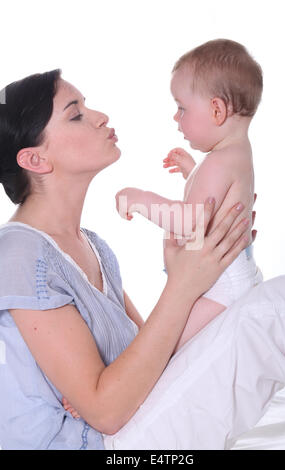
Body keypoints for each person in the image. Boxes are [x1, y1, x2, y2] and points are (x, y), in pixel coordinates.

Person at [0, 69, 253, 450]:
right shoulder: (18, 255)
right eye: (76, 114)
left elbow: (150, 362)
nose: (100, 116)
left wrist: (201, 261)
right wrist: (184, 285)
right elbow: (106, 411)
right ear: (35, 159)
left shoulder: (97, 250)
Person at [115, 39, 263, 352]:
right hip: (227, 278)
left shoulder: (219, 162)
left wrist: (141, 198)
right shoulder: (232, 154)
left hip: (221, 289)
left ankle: (113, 390)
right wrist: (191, 171)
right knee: (168, 345)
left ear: (217, 110)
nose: (175, 118)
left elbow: (190, 221)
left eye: (182, 108)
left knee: (161, 350)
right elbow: (214, 201)